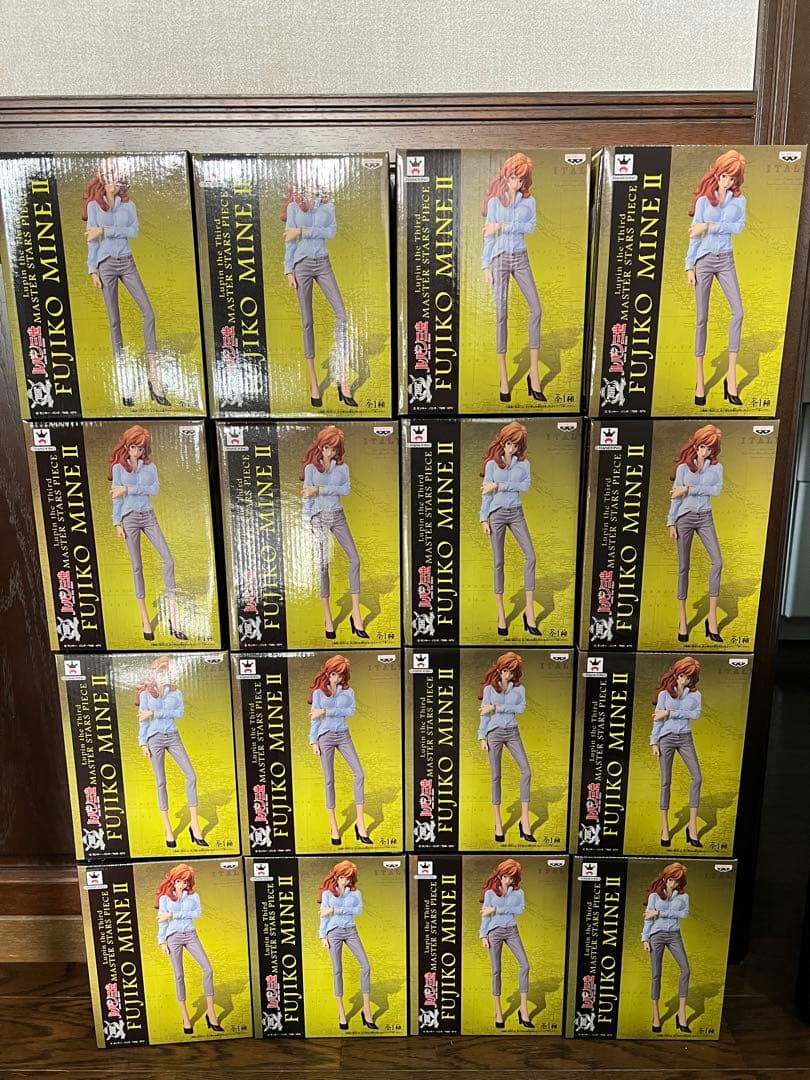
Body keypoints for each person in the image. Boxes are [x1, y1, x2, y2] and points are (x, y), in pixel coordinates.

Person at [83, 158, 169, 408]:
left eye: (119, 180)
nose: (116, 184)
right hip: (106, 265)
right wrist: (92, 270)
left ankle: (154, 380)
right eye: (112, 179)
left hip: (127, 262)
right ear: (103, 179)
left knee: (149, 313)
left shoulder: (128, 206)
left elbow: (134, 232)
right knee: (114, 322)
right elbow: (91, 241)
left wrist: (106, 231)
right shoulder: (94, 207)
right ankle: (123, 383)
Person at [283, 179, 356, 409]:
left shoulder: (327, 205)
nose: (311, 184)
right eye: (307, 181)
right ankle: (314, 383)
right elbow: (289, 240)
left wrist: (303, 231)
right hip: (302, 265)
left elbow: (331, 232)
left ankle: (343, 379)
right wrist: (288, 270)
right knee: (307, 321)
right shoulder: (294, 207)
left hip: (323, 263)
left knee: (342, 314)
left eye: (315, 180)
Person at [108, 425, 186, 642]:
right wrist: (116, 522)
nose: (136, 451)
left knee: (168, 559)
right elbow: (116, 497)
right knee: (137, 566)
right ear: (127, 446)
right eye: (133, 447)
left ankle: (173, 617)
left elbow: (154, 490)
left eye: (140, 448)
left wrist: (129, 489)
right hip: (129, 518)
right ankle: (145, 620)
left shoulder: (150, 468)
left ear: (145, 449)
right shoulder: (119, 469)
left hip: (148, 515)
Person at [481, 153, 544, 404]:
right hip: (499, 259)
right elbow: (488, 235)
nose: (516, 182)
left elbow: (530, 227)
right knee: (501, 314)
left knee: (536, 309)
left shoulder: (529, 203)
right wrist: (485, 265)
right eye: (513, 177)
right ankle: (504, 377)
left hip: (520, 257)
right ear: (505, 176)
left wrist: (503, 226)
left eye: (521, 179)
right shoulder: (495, 204)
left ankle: (534, 375)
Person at [685, 150, 747, 407]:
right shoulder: (703, 202)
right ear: (717, 174)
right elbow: (694, 236)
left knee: (738, 312)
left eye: (732, 178)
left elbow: (738, 227)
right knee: (702, 318)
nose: (727, 181)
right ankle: (700, 381)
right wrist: (689, 266)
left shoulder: (739, 201)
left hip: (726, 259)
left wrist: (710, 226)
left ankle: (731, 379)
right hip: (704, 260)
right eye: (724, 176)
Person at [301, 425, 367, 639]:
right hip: (318, 518)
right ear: (321, 446)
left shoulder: (342, 468)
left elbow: (345, 490)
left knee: (355, 559)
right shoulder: (311, 469)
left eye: (335, 448)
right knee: (323, 565)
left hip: (338, 516)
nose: (331, 452)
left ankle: (355, 614)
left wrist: (319, 489)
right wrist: (306, 520)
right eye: (327, 447)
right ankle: (328, 617)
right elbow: (306, 496)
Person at [137, 656, 207, 849]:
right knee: (161, 782)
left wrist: (155, 713)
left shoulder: (175, 693)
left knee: (191, 775)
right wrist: (142, 743)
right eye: (160, 669)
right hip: (154, 739)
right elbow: (142, 720)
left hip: (173, 736)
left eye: (166, 669)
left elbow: (179, 713)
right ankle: (168, 829)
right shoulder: (145, 694)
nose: (163, 672)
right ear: (154, 671)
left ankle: (194, 825)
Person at [480, 422, 539, 637]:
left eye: (516, 445)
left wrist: (500, 485)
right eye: (508, 443)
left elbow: (525, 486)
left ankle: (529, 611)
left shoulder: (524, 465)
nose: (511, 448)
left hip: (516, 513)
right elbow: (486, 493)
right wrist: (483, 519)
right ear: (502, 442)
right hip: (496, 515)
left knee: (531, 556)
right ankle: (501, 613)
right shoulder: (491, 465)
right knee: (498, 561)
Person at [667, 424, 724, 643]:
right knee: (684, 567)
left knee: (717, 561)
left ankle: (712, 618)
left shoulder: (716, 469)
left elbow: (716, 490)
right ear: (696, 445)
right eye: (702, 446)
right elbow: (676, 497)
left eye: (710, 448)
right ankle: (682, 620)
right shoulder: (683, 468)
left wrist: (690, 489)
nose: (705, 451)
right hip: (685, 518)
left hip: (705, 517)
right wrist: (671, 522)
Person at [308, 655, 371, 846]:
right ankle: (334, 826)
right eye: (334, 674)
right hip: (325, 737)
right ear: (328, 673)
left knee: (359, 774)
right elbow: (314, 719)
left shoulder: (348, 692)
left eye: (341, 675)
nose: (337, 678)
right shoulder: (319, 693)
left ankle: (360, 823)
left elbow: (351, 711)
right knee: (329, 780)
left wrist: (326, 711)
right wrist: (313, 741)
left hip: (343, 735)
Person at [155, 863, 223, 1036]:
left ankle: (211, 1013)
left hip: (191, 934)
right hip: (173, 937)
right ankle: (185, 1017)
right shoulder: (165, 899)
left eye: (185, 881)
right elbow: (162, 921)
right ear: (173, 880)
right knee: (179, 975)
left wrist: (173, 914)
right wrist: (162, 941)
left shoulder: (193, 897)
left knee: (208, 969)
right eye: (179, 880)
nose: (182, 884)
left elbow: (197, 914)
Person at [478, 652, 535, 844]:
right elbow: (484, 714)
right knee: (496, 776)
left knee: (526, 771)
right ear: (499, 669)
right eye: (505, 671)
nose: (507, 675)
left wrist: (496, 707)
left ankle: (524, 820)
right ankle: (498, 822)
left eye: (511, 672)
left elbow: (521, 709)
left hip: (512, 732)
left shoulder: (519, 689)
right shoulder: (489, 689)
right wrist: (482, 737)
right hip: (493, 733)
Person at [318, 860, 377, 1031]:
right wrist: (322, 935)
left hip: (351, 930)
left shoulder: (355, 893)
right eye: (342, 877)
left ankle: (366, 1010)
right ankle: (341, 1012)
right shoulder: (328, 894)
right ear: (336, 876)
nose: (345, 881)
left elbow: (358, 910)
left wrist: (335, 910)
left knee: (366, 965)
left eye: (349, 878)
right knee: (337, 970)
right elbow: (323, 915)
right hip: (333, 932)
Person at [650, 658, 703, 849]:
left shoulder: (695, 695)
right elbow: (657, 719)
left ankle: (692, 827)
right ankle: (665, 828)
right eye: (682, 675)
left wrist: (670, 713)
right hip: (666, 738)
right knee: (666, 781)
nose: (684, 680)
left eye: (688, 678)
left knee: (697, 777)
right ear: (676, 674)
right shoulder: (665, 694)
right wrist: (653, 741)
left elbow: (696, 714)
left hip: (685, 738)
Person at [479, 858, 533, 1030]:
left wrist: (497, 909)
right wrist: (483, 935)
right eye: (505, 876)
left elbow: (520, 910)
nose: (508, 880)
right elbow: (485, 915)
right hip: (494, 932)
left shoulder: (518, 893)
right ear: (500, 875)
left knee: (525, 965)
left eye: (511, 877)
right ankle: (498, 1011)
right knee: (496, 970)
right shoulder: (490, 893)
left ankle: (523, 1009)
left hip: (511, 931)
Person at [642, 861, 691, 1034]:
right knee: (656, 974)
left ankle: (681, 1014)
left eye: (677, 880)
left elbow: (684, 914)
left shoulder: (683, 897)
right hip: (656, 935)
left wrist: (660, 912)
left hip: (674, 935)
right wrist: (645, 938)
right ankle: (656, 1015)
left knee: (685, 970)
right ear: (665, 878)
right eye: (671, 879)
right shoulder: (654, 897)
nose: (673, 883)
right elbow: (648, 918)